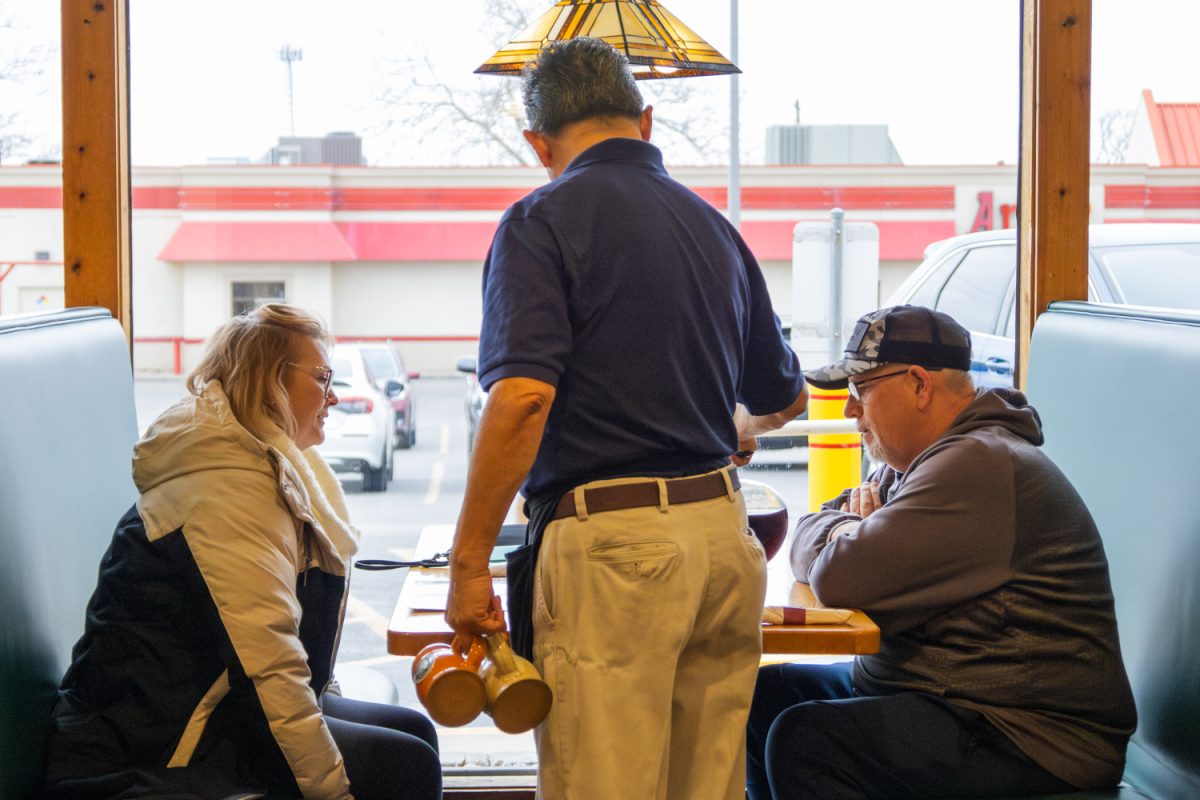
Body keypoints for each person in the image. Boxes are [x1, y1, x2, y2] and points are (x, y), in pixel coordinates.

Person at [443, 37, 808, 800]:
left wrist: (469, 563)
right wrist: (717, 420)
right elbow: (784, 396)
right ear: (647, 122)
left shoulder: (539, 222)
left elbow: (523, 398)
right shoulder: (713, 227)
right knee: (706, 786)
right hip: (722, 541)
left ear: (538, 144)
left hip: (617, 558)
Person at [43, 304, 441, 800]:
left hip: (209, 711)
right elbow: (269, 668)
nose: (334, 396)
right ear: (272, 380)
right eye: (322, 377)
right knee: (405, 766)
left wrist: (324, 697)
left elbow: (285, 637)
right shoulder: (226, 494)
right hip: (149, 754)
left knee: (414, 733)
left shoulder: (252, 467)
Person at [746, 304, 1136, 800]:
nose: (849, 411)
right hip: (936, 694)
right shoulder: (913, 463)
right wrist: (853, 527)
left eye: (860, 390)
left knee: (809, 741)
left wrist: (852, 536)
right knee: (763, 698)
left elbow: (837, 578)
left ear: (918, 384)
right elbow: (814, 529)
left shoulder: (976, 463)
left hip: (1032, 735)